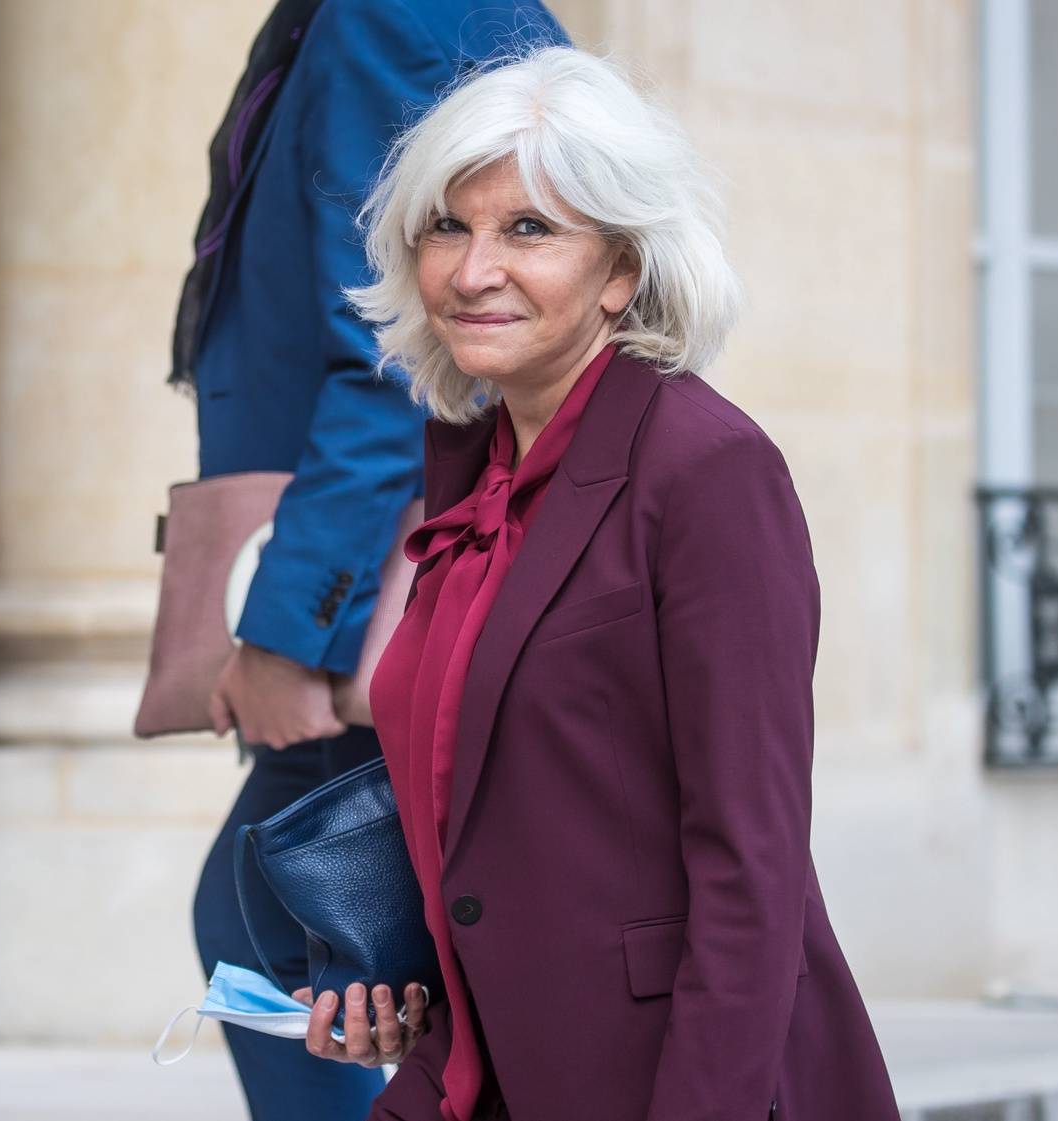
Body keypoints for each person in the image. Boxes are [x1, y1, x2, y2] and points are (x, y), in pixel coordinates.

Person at [298, 48, 900, 1120]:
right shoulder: (467, 469)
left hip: (663, 1082)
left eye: (528, 229)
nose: (473, 268)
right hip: (473, 1072)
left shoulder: (706, 470)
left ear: (620, 270)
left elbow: (747, 862)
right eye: (447, 226)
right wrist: (393, 964)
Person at [174, 2, 562, 1120]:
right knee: (334, 938)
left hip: (382, 559)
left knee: (273, 923)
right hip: (409, 539)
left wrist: (292, 630)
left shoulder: (390, 15)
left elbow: (390, 347)